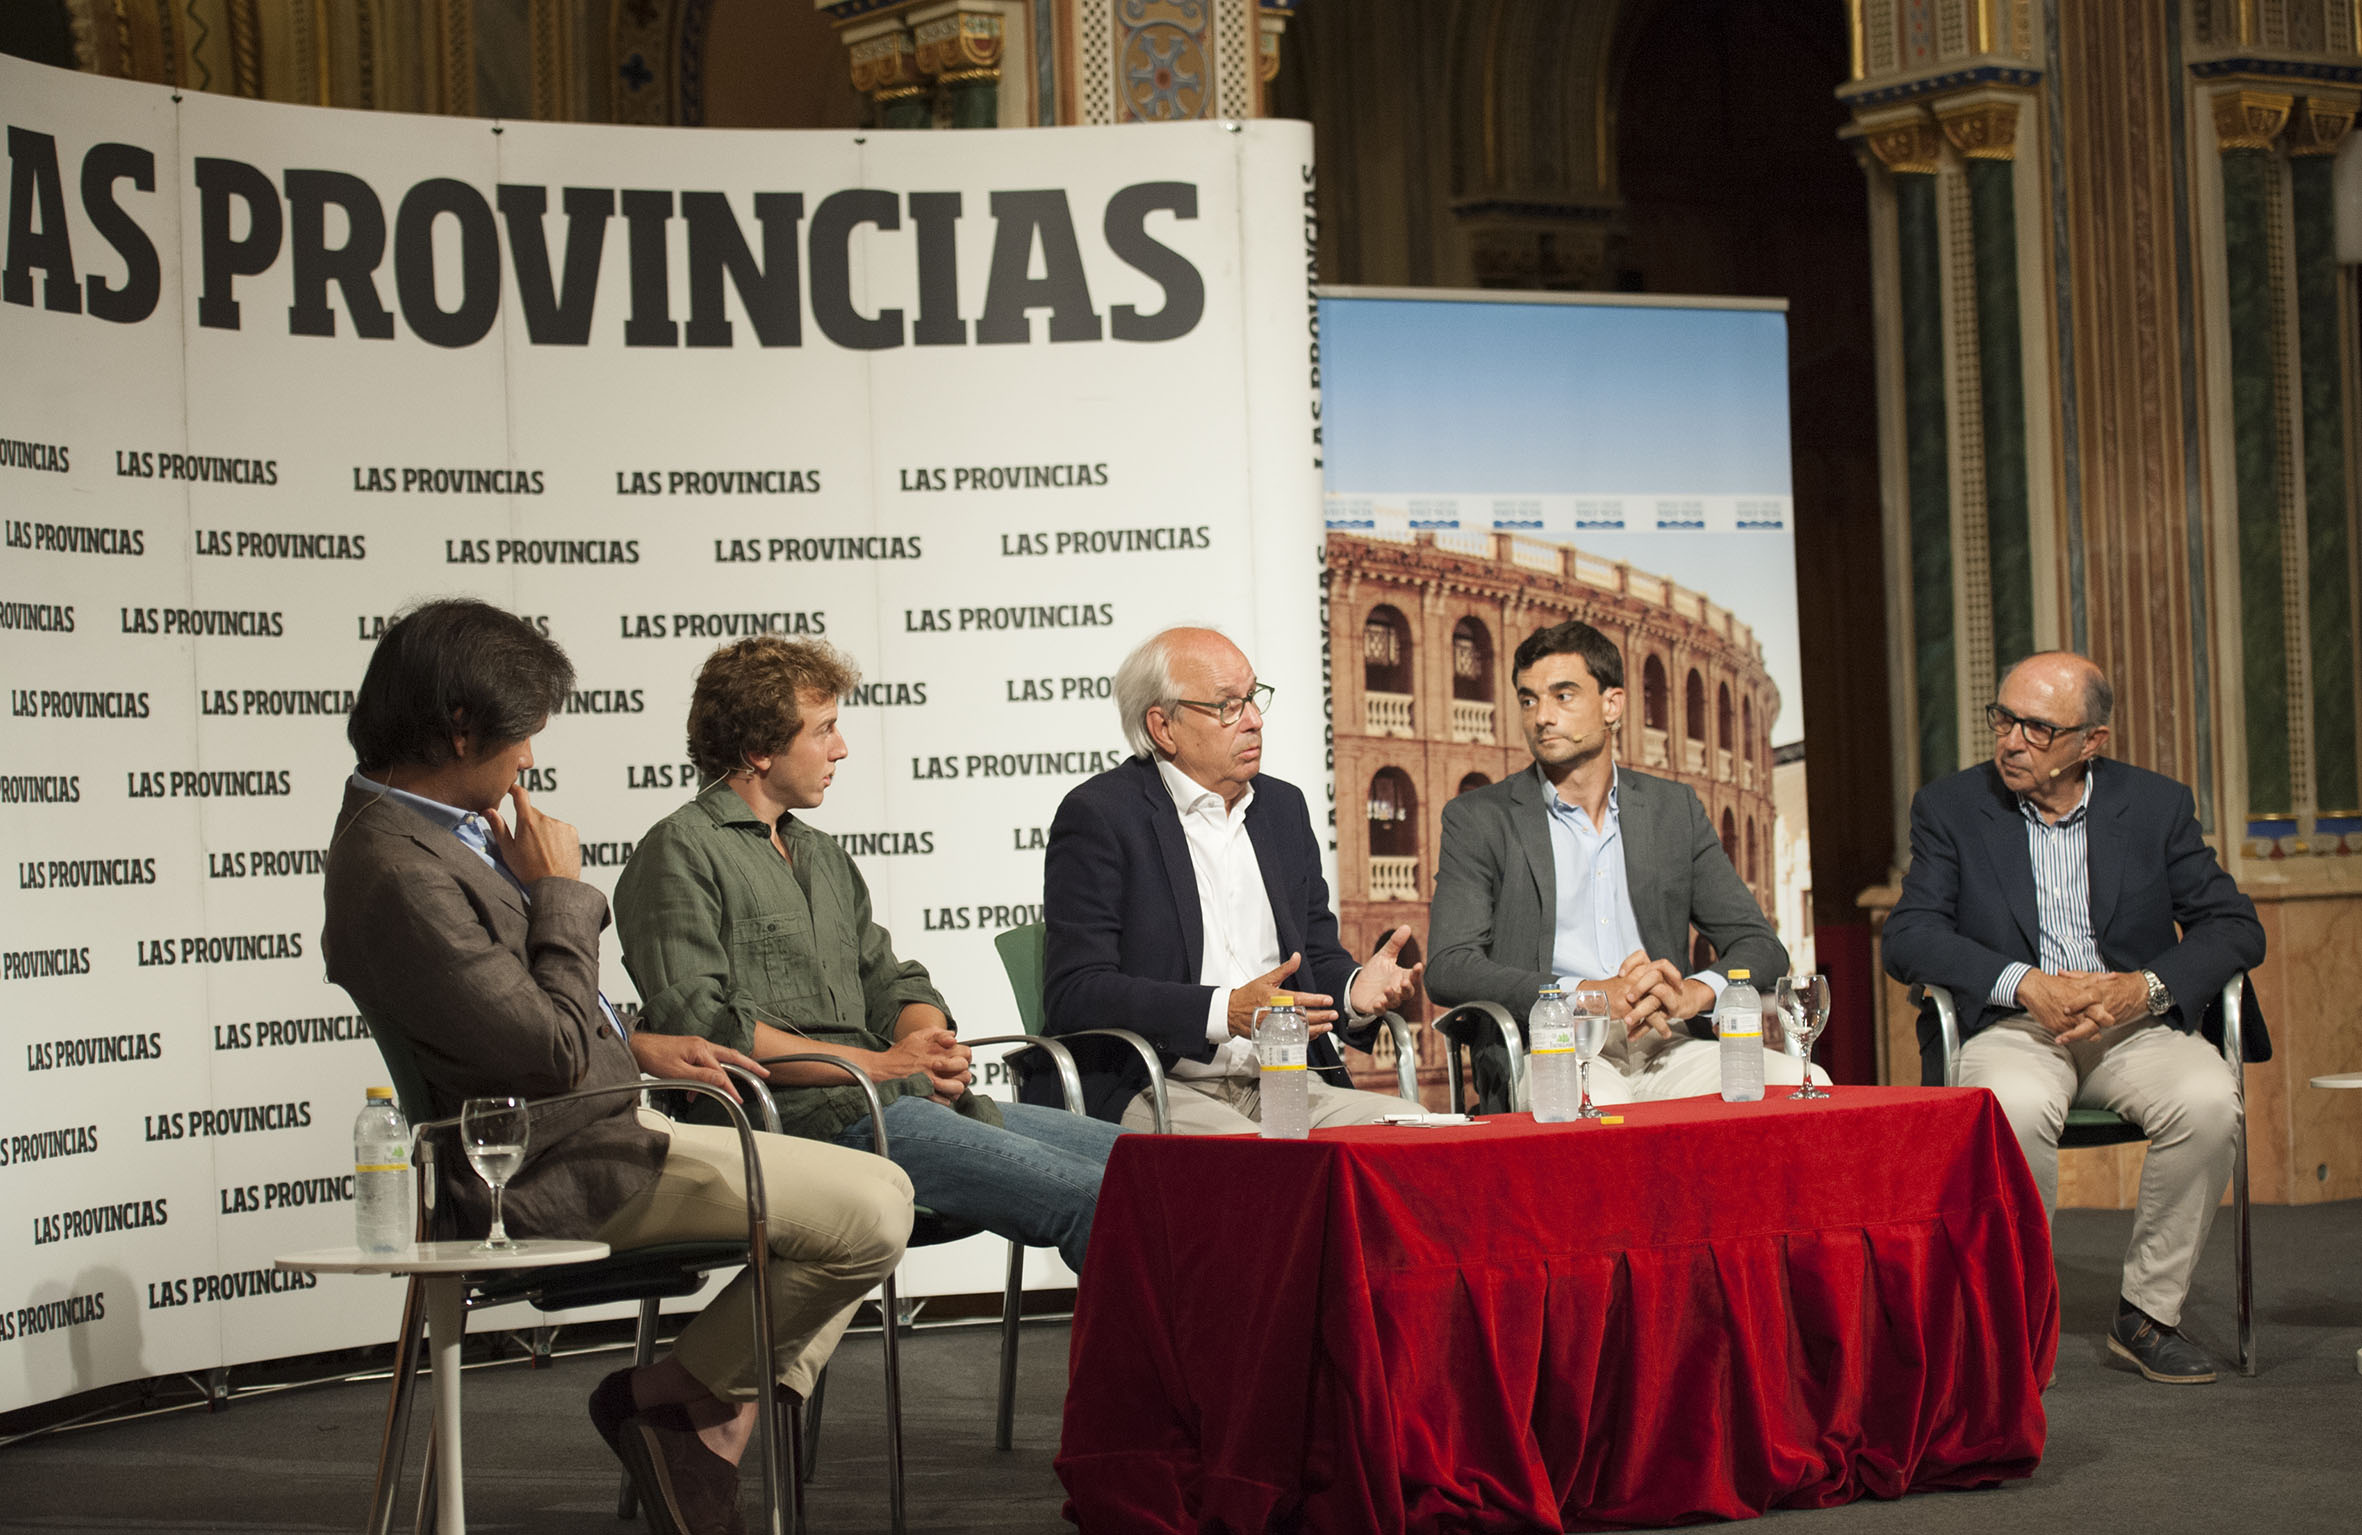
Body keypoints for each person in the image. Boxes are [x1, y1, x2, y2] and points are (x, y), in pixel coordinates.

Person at [321, 600, 911, 1535]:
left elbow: (517, 1021)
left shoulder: (436, 835)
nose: (528, 761)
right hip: (546, 1171)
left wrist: (632, 1040)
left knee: (876, 1189)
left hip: (597, 1123)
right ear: (462, 726)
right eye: (522, 737)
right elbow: (545, 1055)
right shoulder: (398, 867)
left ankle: (690, 1416)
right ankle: (677, 1401)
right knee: (872, 1207)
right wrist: (558, 890)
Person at [613, 636, 1125, 1278]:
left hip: (899, 1102)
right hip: (802, 1130)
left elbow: (892, 981)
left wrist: (924, 1049)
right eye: (823, 730)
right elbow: (709, 1030)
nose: (841, 748)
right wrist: (883, 1066)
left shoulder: (823, 854)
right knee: (1098, 1200)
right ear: (759, 751)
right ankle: (1145, 1378)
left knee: (1148, 1168)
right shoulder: (677, 853)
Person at [1883, 650, 2268, 1385]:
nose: (2011, 741)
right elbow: (1910, 935)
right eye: (2004, 719)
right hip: (2015, 1026)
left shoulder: (2156, 805)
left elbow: (2234, 925)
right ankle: (2018, 1320)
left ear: (2092, 740)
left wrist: (2144, 988)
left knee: (2212, 1100)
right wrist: (2022, 982)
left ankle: (2148, 1314)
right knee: (2012, 1107)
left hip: (2134, 1025)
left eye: (2037, 727)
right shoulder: (1951, 807)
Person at [1040, 626, 1424, 1133]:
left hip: (1285, 1079)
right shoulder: (1101, 816)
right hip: (1156, 1081)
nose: (1255, 721)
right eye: (1228, 705)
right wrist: (1226, 1010)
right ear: (1163, 727)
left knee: (1410, 1130)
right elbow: (1078, 991)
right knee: (1245, 1161)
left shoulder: (1281, 808)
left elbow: (1310, 959)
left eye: (1253, 698)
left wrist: (1355, 990)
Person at [1425, 619, 1812, 1107]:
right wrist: (1581, 992)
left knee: (1801, 1083)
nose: (1542, 716)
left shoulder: (1674, 809)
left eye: (1562, 696)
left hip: (1667, 1041)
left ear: (1613, 705)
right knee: (1605, 1120)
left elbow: (1761, 946)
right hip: (1555, 1046)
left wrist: (1693, 993)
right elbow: (1448, 967)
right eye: (1528, 699)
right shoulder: (1479, 818)